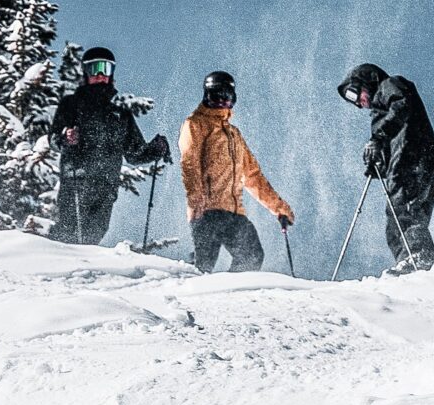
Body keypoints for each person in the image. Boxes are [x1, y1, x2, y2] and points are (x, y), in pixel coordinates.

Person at [47, 47, 171, 244]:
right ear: (85, 72)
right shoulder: (71, 104)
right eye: (94, 68)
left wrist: (155, 149)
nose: (100, 74)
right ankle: (47, 263)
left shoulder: (120, 115)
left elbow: (134, 153)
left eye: (105, 68)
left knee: (94, 235)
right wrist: (65, 136)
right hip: (77, 182)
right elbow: (54, 138)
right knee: (69, 234)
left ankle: (78, 272)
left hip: (105, 187)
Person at [178, 70, 293, 272]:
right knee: (204, 264)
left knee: (252, 255)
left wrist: (278, 207)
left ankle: (230, 296)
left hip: (233, 213)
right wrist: (197, 200)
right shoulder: (195, 124)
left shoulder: (234, 134)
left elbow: (252, 176)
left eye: (227, 96)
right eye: (216, 95)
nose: (222, 101)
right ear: (207, 96)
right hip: (207, 210)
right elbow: (190, 163)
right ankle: (185, 293)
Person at [341, 63, 434, 272]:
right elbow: (394, 136)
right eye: (352, 102)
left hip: (416, 161)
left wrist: (378, 137)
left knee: (405, 209)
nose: (358, 103)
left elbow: (402, 105)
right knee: (395, 218)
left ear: (367, 81)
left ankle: (420, 256)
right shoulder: (381, 114)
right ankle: (408, 261)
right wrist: (379, 163)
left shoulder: (391, 85)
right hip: (405, 167)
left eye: (355, 94)